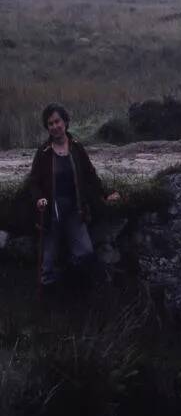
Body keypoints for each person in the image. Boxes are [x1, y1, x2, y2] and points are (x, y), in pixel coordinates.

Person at [29, 103, 120, 293]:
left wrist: (105, 194)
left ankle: (72, 291)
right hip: (51, 216)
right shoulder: (43, 152)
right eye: (50, 123)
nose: (54, 126)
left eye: (57, 121)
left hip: (74, 213)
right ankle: (49, 306)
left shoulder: (77, 148)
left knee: (85, 253)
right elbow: (34, 182)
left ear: (66, 122)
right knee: (46, 265)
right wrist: (39, 199)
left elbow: (90, 175)